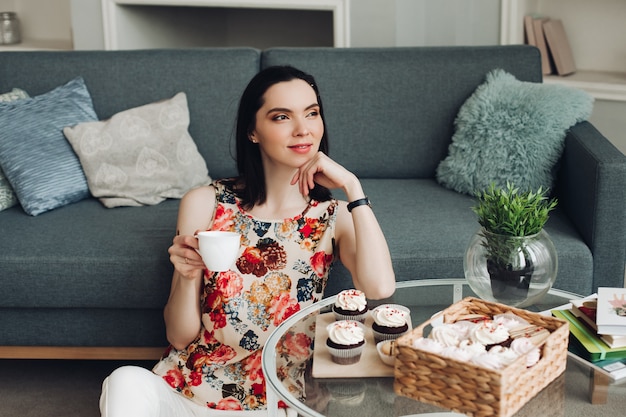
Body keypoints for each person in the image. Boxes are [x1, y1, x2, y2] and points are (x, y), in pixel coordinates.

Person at [99, 65, 396, 417]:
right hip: (189, 392)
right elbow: (179, 337)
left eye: (312, 113)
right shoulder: (205, 202)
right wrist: (186, 273)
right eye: (282, 116)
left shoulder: (334, 215)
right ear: (253, 131)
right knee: (123, 382)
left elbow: (379, 286)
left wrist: (353, 187)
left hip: (277, 402)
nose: (303, 129)